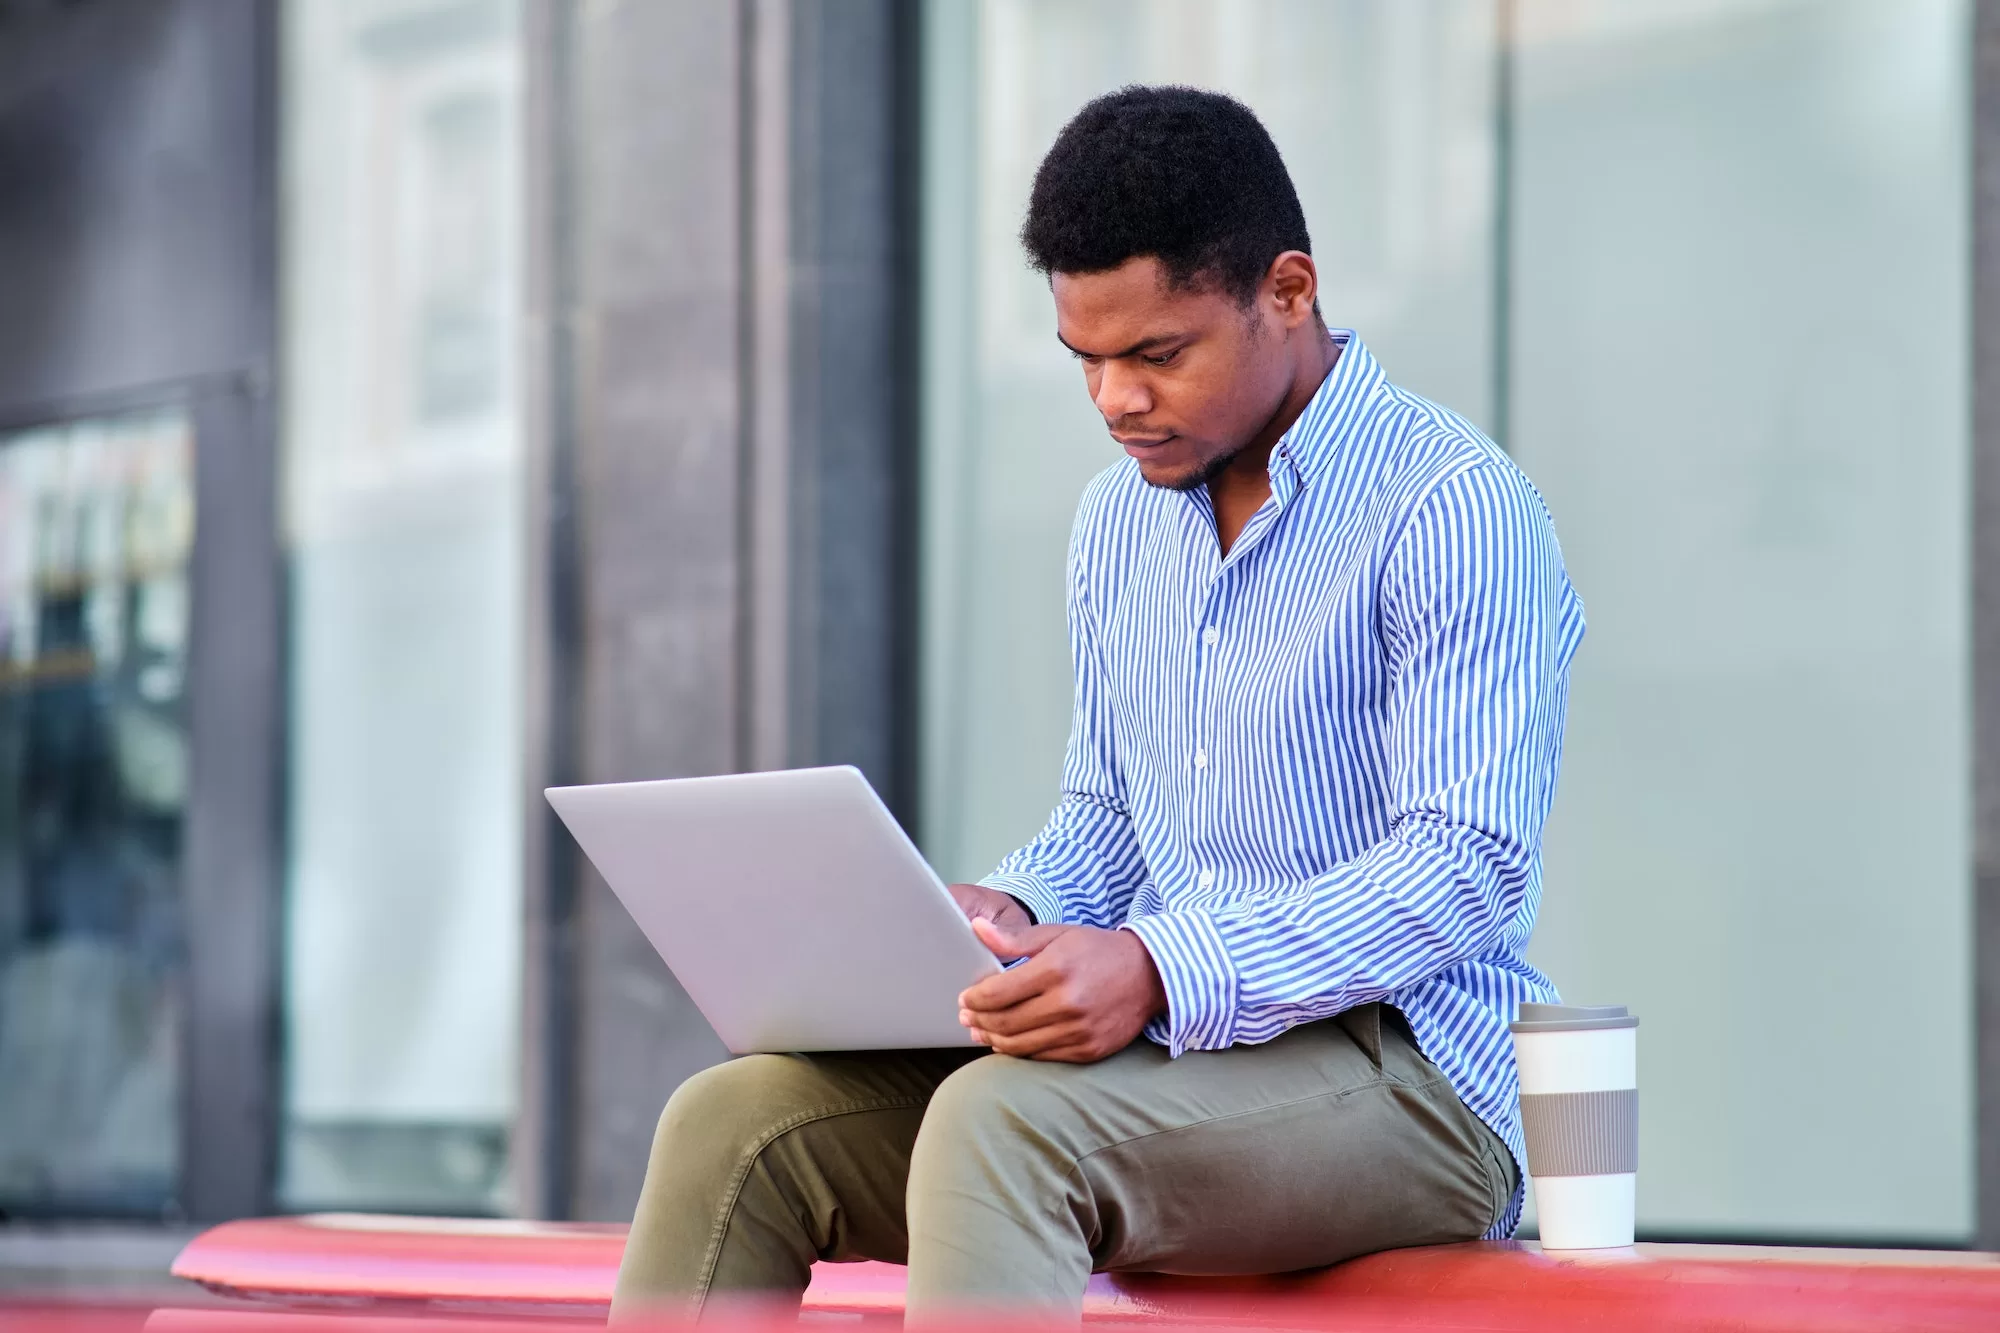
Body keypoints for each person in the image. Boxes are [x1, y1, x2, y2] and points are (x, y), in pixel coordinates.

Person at [610, 84, 1583, 1321]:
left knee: (1004, 1123)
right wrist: (1004, 915)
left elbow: (1467, 867)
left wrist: (1158, 964)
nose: (1114, 398)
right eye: (1085, 359)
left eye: (1154, 353)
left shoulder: (1450, 507)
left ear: (1287, 291)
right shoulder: (1120, 520)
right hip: (1179, 1063)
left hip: (1412, 1082)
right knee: (734, 1122)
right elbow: (1108, 818)